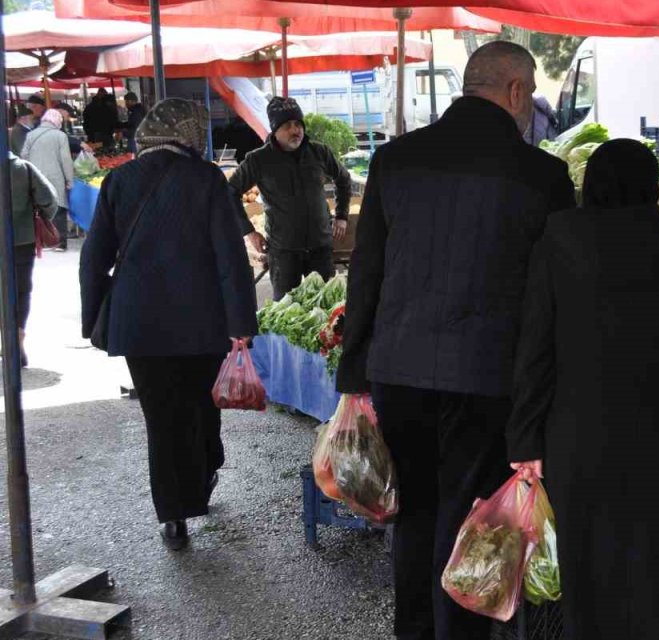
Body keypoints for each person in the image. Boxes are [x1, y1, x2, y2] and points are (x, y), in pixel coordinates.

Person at [336, 41, 575, 640]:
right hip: (489, 375)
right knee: (471, 514)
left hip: (399, 368)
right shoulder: (543, 175)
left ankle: (414, 631)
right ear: (517, 92)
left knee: (413, 510)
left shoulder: (395, 159)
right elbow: (553, 295)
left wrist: (354, 373)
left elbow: (365, 273)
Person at [507, 138, 659, 640]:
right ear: (652, 189)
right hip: (656, 436)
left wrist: (526, 439)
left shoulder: (557, 246)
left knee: (590, 569)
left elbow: (534, 351)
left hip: (575, 438)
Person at [79, 98, 257, 552]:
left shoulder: (118, 180)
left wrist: (93, 319)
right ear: (191, 133)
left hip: (140, 326)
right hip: (203, 323)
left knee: (161, 420)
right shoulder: (207, 179)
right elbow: (230, 260)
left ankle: (174, 516)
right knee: (201, 407)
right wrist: (241, 323)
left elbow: (93, 259)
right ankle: (203, 476)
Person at [229, 96, 352, 300]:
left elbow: (344, 179)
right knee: (286, 309)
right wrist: (249, 232)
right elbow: (230, 192)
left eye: (298, 124)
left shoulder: (319, 152)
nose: (295, 130)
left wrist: (341, 215)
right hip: (283, 251)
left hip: (320, 247)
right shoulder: (258, 160)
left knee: (325, 311)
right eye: (287, 125)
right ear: (275, 130)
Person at [6, 152, 59, 368]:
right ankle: (17, 336)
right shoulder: (23, 168)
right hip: (21, 240)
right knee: (21, 290)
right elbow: (50, 200)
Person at [21, 109, 75, 252]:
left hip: (35, 176)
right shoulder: (60, 136)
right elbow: (66, 160)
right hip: (55, 176)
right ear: (57, 121)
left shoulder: (30, 135)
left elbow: (23, 156)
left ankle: (40, 241)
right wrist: (70, 179)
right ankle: (59, 242)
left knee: (38, 208)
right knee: (59, 207)